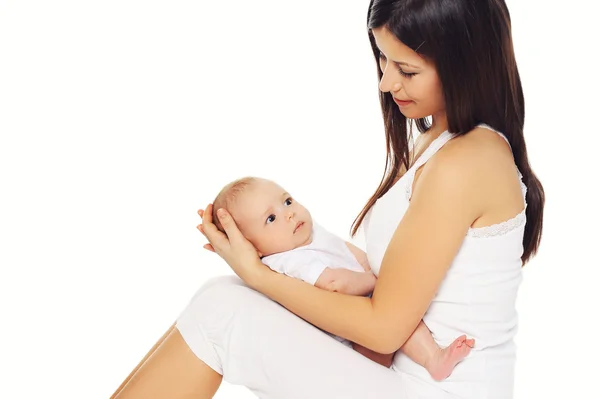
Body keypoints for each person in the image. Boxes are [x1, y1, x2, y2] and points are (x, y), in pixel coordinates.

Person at [110, 0, 545, 398]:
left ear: (465, 64)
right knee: (219, 300)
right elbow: (380, 277)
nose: (386, 82)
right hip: (402, 376)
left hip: (434, 389)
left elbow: (384, 329)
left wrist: (257, 273)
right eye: (381, 59)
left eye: (406, 70)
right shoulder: (440, 143)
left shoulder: (467, 161)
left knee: (222, 310)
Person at [209, 175, 475, 378]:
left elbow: (352, 253)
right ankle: (430, 360)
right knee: (398, 320)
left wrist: (376, 271)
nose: (288, 213)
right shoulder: (287, 261)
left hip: (367, 317)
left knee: (402, 318)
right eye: (270, 218)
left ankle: (433, 359)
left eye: (287, 200)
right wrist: (379, 282)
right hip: (348, 347)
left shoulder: (308, 235)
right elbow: (333, 284)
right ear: (253, 248)